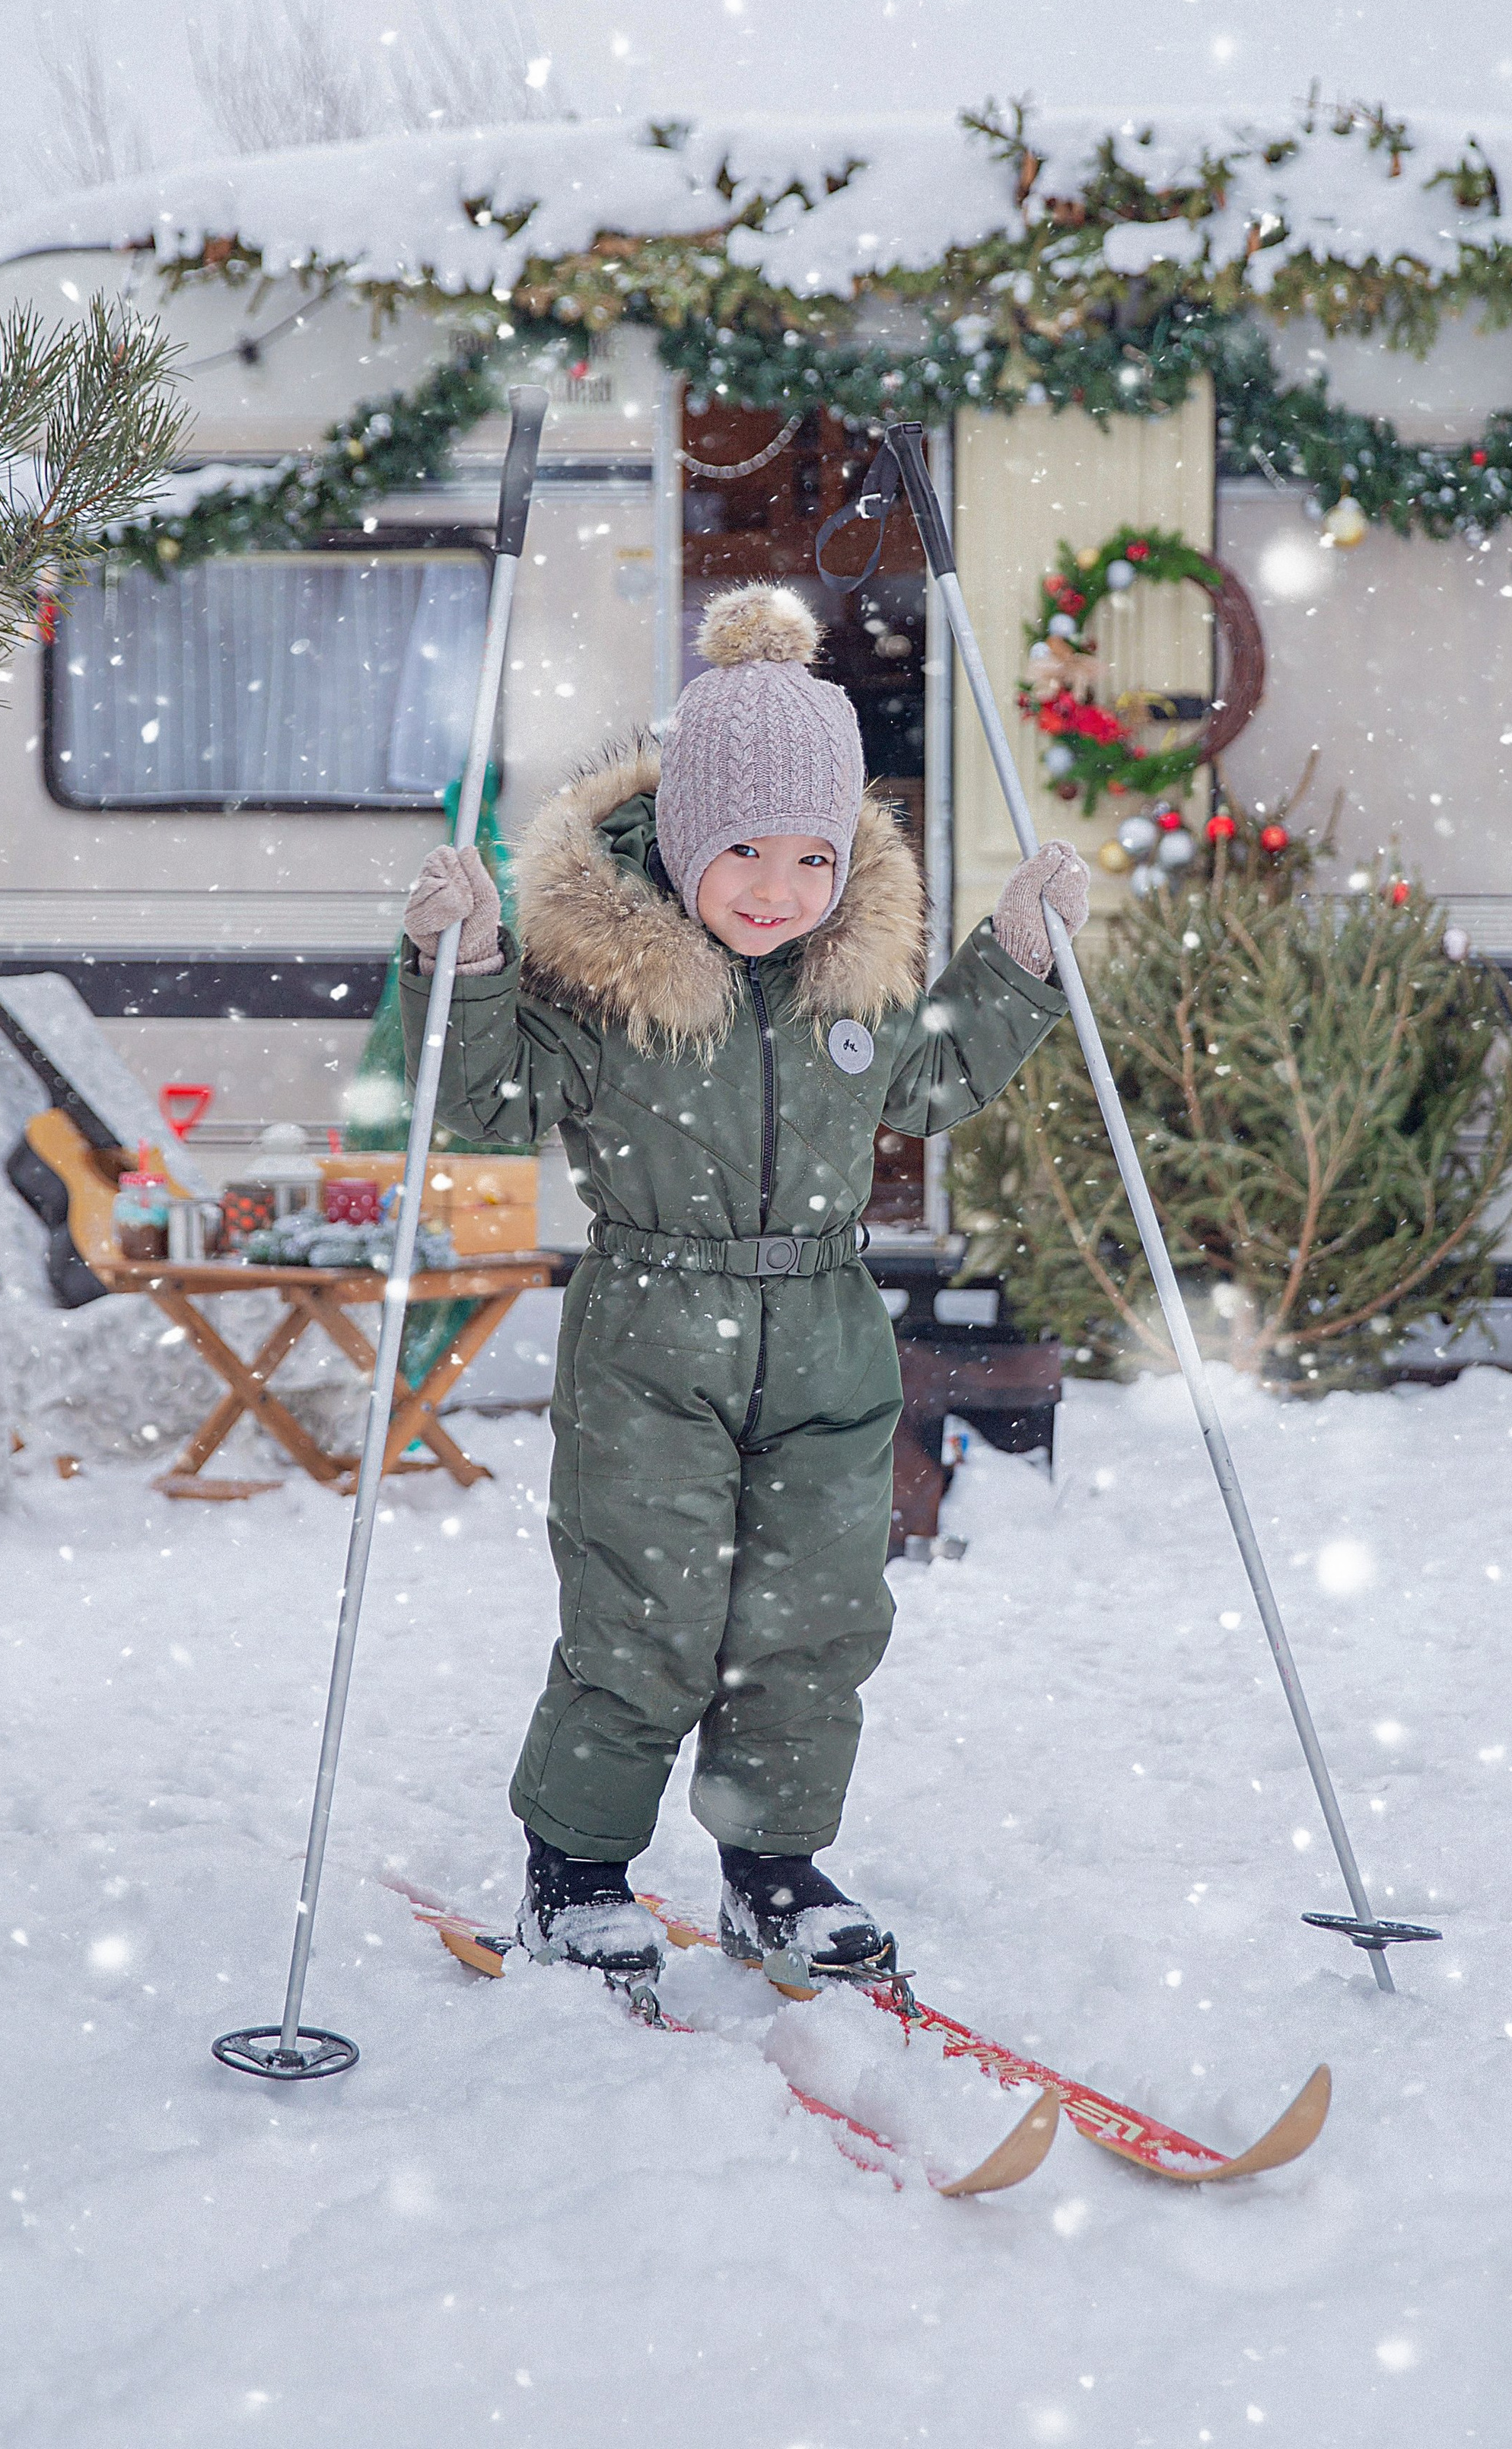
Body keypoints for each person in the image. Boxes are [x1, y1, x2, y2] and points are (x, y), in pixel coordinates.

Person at [400, 581, 1087, 1986]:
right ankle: (577, 1869)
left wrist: (1019, 955)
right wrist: (463, 963)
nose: (782, 888)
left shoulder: (855, 988)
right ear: (686, 841)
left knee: (818, 1613)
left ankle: (774, 1870)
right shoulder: (610, 987)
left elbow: (944, 1071)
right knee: (641, 1611)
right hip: (653, 1324)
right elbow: (486, 1097)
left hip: (830, 1330)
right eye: (748, 852)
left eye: (815, 859)